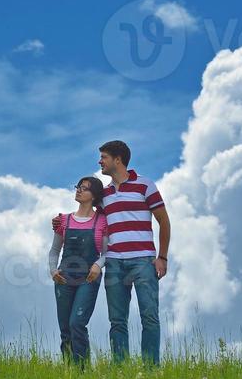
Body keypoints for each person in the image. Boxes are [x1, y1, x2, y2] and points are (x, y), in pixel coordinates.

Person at [54, 139, 170, 365]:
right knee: (117, 321)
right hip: (115, 263)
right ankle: (121, 369)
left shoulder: (145, 186)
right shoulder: (104, 195)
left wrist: (162, 257)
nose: (100, 162)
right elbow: (86, 217)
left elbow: (164, 222)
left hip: (144, 261)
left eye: (104, 157)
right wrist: (59, 223)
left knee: (149, 317)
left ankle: (150, 369)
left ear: (118, 159)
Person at [48, 177, 107, 365]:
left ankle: (82, 371)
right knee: (65, 329)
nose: (79, 190)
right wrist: (52, 270)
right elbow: (55, 250)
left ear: (94, 196)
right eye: (78, 187)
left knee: (77, 324)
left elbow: (107, 252)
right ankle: (69, 373)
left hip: (88, 279)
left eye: (85, 188)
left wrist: (98, 265)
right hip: (63, 279)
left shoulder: (102, 222)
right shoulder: (63, 220)